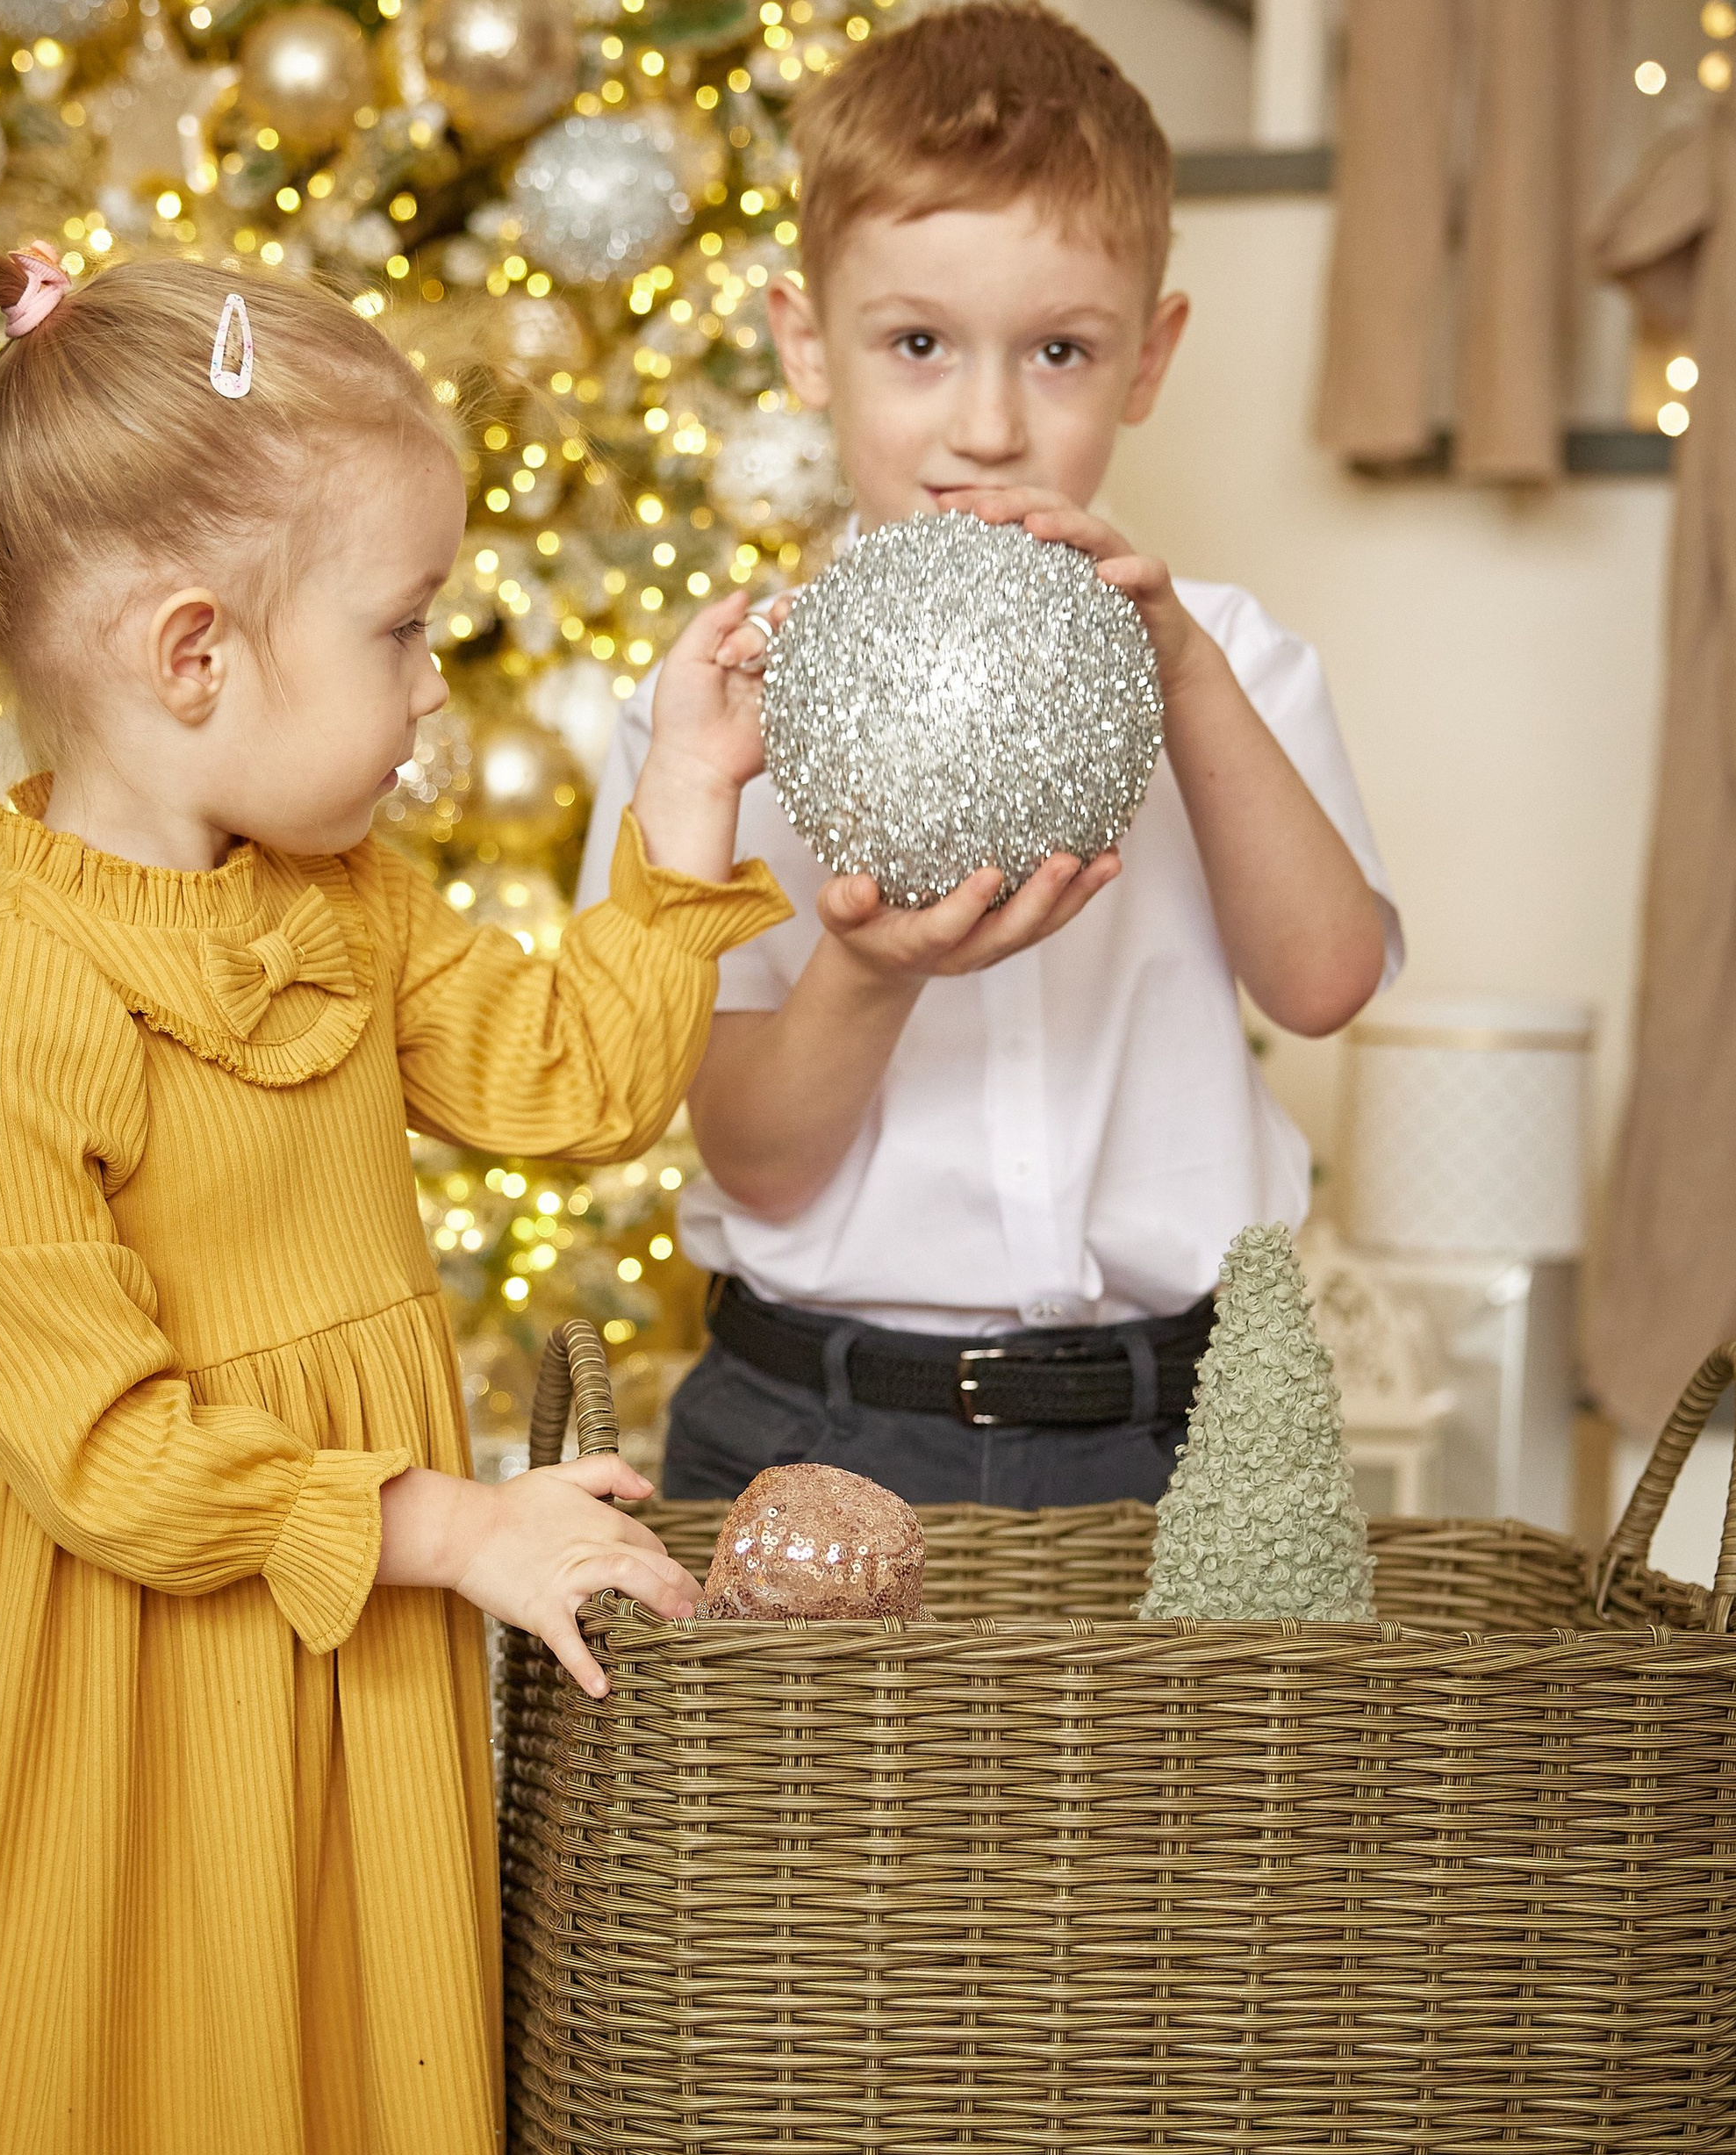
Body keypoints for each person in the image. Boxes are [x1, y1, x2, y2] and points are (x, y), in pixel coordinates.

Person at [0, 244, 788, 2155]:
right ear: (196, 657)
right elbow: (101, 1453)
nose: (437, 689)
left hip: (335, 1568)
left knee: (303, 1978)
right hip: (130, 1585)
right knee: (65, 1986)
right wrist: (450, 1527)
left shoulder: (340, 895)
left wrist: (685, 793)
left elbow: (563, 1076)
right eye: (401, 629)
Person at [577, 0, 1401, 1510]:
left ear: (1146, 360)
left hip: (1173, 1431)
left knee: (1201, 1764)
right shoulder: (717, 713)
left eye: (1061, 352)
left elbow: (1326, 981)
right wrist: (874, 968)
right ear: (801, 343)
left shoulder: (1226, 654)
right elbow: (752, 1156)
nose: (989, 424)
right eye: (916, 344)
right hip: (815, 1418)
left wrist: (1187, 682)